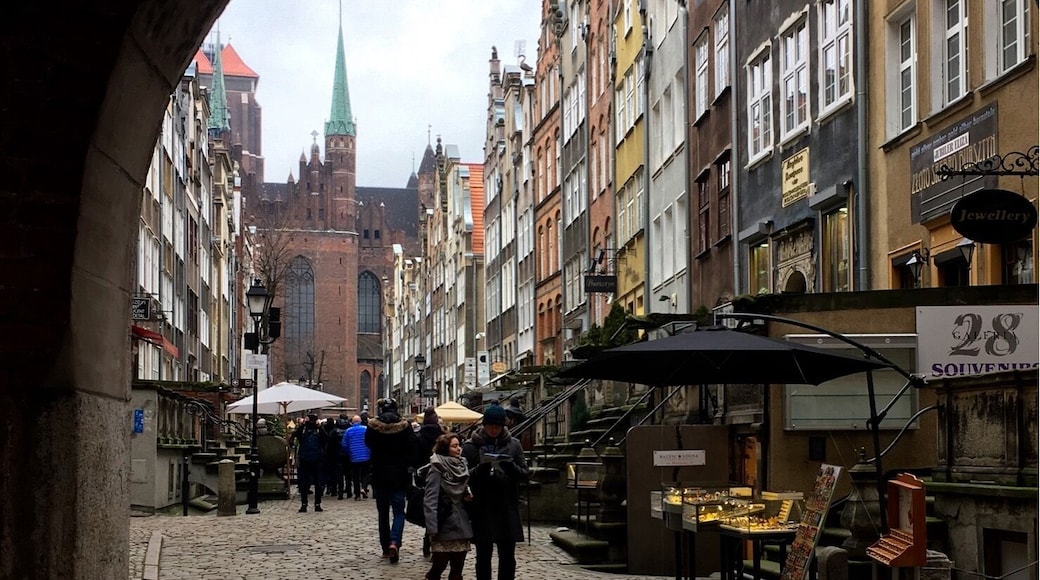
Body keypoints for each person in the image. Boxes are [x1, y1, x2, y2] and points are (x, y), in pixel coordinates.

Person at [461, 404, 529, 580]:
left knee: (507, 556)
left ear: (503, 426)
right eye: (490, 426)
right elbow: (463, 476)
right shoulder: (471, 446)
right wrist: (481, 469)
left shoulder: (514, 445)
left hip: (507, 507)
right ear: (484, 425)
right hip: (482, 507)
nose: (493, 430)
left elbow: (524, 474)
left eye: (497, 427)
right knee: (483, 555)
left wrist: (509, 466)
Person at [365, 398, 416, 563]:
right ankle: (395, 542)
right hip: (399, 475)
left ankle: (385, 547)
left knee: (383, 513)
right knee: (399, 512)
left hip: (379, 474)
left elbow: (368, 444)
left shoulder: (373, 427)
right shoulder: (405, 426)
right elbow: (412, 447)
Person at [422, 433, 473, 580]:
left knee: (457, 568)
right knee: (439, 566)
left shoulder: (462, 465)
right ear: (445, 449)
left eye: (459, 445)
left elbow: (465, 489)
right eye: (454, 446)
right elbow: (430, 498)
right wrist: (432, 527)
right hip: (444, 522)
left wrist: (468, 496)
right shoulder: (437, 466)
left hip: (461, 522)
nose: (459, 449)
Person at [414, 407, 445, 557]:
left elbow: (415, 457)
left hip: (424, 475)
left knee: (429, 506)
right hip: (441, 473)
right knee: (440, 508)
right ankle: (436, 543)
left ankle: (428, 541)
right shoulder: (443, 436)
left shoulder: (419, 436)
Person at [289, 413, 328, 513]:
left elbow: (293, 437)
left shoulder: (303, 429)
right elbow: (326, 440)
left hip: (305, 458)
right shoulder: (318, 430)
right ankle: (317, 504)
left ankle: (304, 504)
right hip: (316, 458)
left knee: (304, 483)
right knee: (317, 483)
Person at [342, 414, 370, 501]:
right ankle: (364, 488)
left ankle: (357, 494)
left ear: (352, 422)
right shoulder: (365, 429)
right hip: (366, 456)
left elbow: (344, 444)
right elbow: (370, 441)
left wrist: (350, 452)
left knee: (355, 477)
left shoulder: (348, 431)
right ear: (360, 421)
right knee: (365, 474)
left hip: (354, 457)